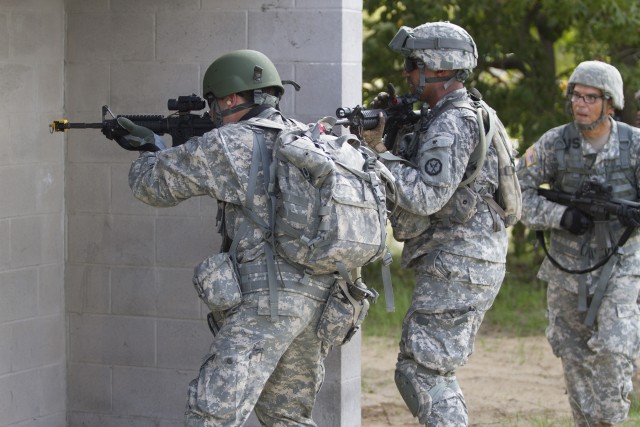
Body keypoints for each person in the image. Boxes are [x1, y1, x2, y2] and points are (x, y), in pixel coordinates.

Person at [123, 49, 358, 427]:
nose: (212, 112)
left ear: (232, 98)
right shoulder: (308, 138)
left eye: (214, 102)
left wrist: (150, 148)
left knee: (211, 415)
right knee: (287, 417)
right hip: (321, 301)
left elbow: (152, 186)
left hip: (268, 304)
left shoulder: (232, 142)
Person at [361, 22, 509, 426]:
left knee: (421, 373)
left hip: (459, 262)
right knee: (425, 370)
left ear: (438, 68)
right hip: (462, 261)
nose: (406, 72)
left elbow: (426, 195)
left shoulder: (453, 121)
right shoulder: (457, 112)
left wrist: (376, 152)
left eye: (412, 63)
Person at [517, 60, 640, 427]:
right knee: (573, 356)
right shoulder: (556, 143)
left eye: (590, 97)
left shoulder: (633, 145)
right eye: (576, 96)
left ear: (610, 103)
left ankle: (609, 421)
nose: (580, 104)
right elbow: (515, 192)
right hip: (568, 268)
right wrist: (560, 217)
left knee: (615, 350)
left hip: (623, 263)